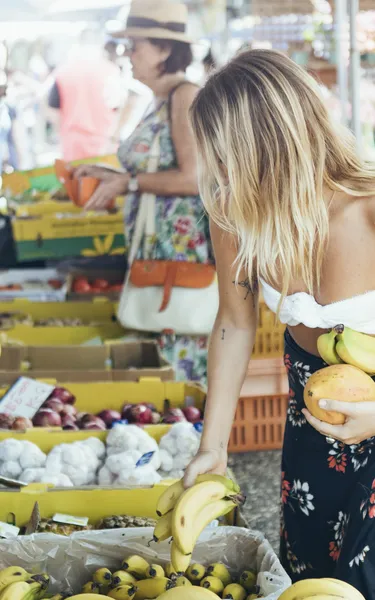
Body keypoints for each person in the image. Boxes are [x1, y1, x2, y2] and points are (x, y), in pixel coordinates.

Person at [183, 49, 375, 598]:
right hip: (309, 429)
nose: (217, 173)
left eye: (223, 156)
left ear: (265, 146)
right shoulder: (236, 217)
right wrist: (212, 446)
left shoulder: (369, 207)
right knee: (308, 580)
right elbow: (234, 322)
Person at [73, 0, 212, 382]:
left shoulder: (185, 96)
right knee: (158, 353)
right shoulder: (159, 100)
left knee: (178, 346)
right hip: (156, 250)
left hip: (178, 254)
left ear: (165, 50)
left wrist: (128, 182)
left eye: (135, 45)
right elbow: (156, 167)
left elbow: (194, 177)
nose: (128, 55)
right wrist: (111, 174)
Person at [47, 36, 127, 161]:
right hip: (104, 143)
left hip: (72, 144)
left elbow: (53, 112)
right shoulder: (111, 71)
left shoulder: (63, 72)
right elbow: (120, 108)